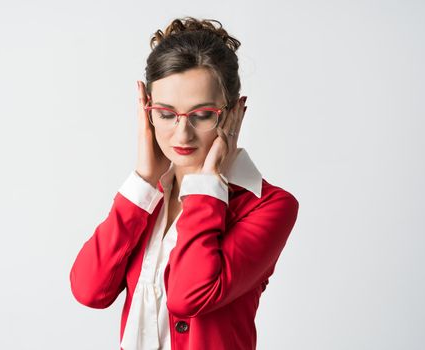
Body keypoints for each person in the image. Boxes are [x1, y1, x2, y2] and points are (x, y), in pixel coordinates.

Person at [69, 16, 299, 350]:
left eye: (202, 114)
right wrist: (144, 179)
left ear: (235, 112)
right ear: (147, 111)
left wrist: (207, 185)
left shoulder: (268, 205)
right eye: (165, 113)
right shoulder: (148, 198)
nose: (182, 134)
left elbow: (189, 295)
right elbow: (90, 289)